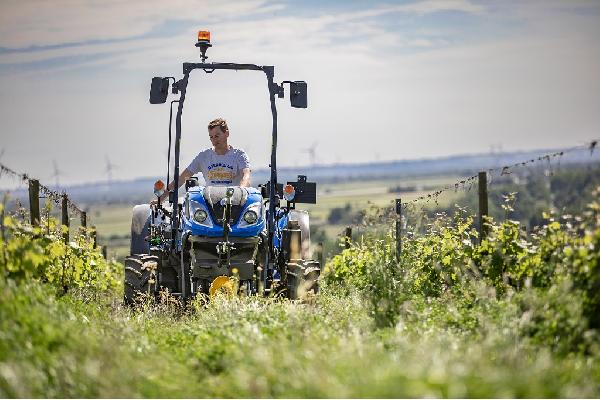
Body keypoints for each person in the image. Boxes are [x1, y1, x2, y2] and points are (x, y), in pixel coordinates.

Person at [156, 118, 251, 203]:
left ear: (227, 133)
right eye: (211, 137)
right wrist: (161, 199)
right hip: (211, 204)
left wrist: (240, 192)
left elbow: (246, 176)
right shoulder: (204, 156)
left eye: (217, 136)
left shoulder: (239, 155)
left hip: (234, 202)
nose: (214, 140)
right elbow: (181, 179)